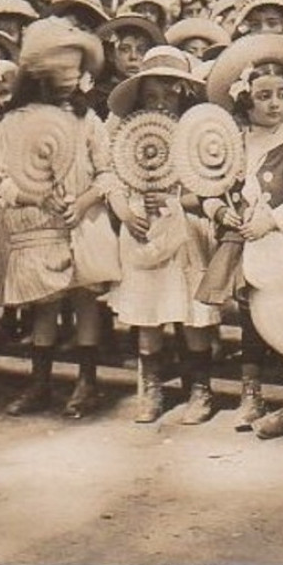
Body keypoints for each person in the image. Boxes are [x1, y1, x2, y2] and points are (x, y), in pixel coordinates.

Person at [196, 33, 283, 436]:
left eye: (281, 94)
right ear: (246, 100)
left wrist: (270, 221)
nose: (273, 103)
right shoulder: (235, 144)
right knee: (253, 319)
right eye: (264, 95)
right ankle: (250, 394)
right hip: (248, 243)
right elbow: (209, 187)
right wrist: (218, 210)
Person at [0, 19, 116, 417]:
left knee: (84, 301)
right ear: (38, 71)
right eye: (61, 68)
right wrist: (34, 197)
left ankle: (87, 382)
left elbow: (109, 171)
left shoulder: (87, 120)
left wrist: (84, 201)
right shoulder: (15, 122)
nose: (69, 77)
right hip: (38, 224)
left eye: (75, 69)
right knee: (44, 305)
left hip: (83, 220)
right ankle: (40, 382)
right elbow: (0, 178)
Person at [105, 48, 221, 424]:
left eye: (169, 96)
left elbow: (210, 189)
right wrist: (124, 209)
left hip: (185, 230)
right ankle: (152, 387)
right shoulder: (126, 135)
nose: (161, 104)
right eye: (152, 97)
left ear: (184, 96)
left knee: (191, 314)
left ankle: (200, 388)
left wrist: (176, 200)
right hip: (142, 229)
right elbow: (109, 176)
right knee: (148, 312)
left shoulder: (195, 135)